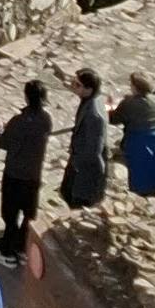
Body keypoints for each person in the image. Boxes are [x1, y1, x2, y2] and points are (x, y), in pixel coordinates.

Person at [0, 83, 51, 260]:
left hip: (15, 175)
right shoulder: (46, 119)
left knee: (10, 215)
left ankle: (8, 252)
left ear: (26, 97)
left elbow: (4, 143)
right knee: (28, 214)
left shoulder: (19, 121)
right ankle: (22, 247)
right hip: (33, 174)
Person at [58, 67, 109, 212]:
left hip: (85, 170)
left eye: (78, 85)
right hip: (79, 161)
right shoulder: (90, 99)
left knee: (78, 202)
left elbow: (93, 151)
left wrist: (76, 163)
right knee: (67, 195)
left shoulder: (94, 115)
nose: (74, 87)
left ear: (89, 89)